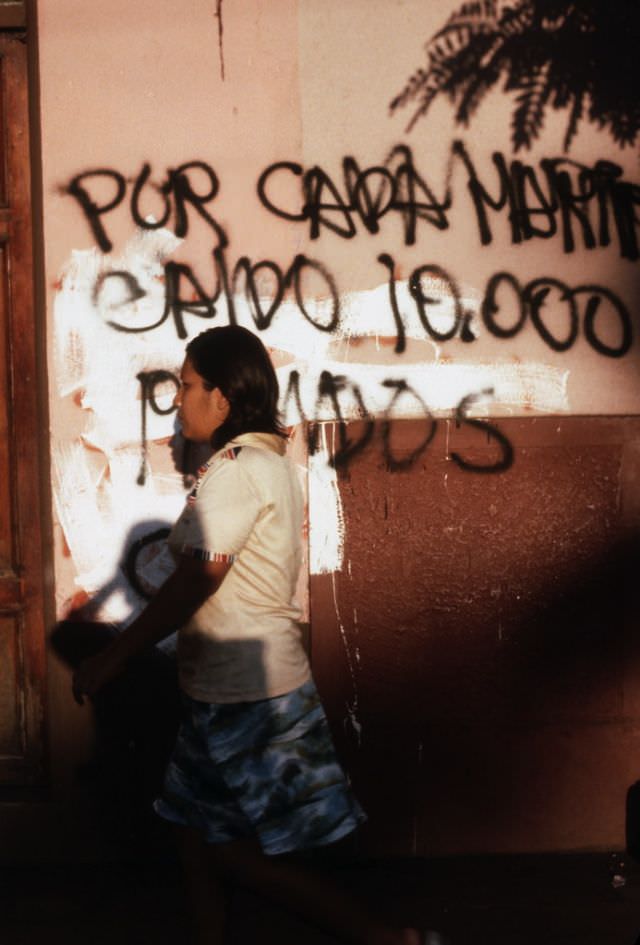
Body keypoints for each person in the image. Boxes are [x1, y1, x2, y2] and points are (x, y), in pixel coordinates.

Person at [72, 325, 433, 945]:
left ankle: (383, 938)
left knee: (231, 853)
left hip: (243, 693)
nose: (177, 399)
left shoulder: (237, 470)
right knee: (190, 828)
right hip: (227, 685)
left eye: (187, 386)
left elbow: (199, 576)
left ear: (224, 395)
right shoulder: (263, 463)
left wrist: (114, 655)